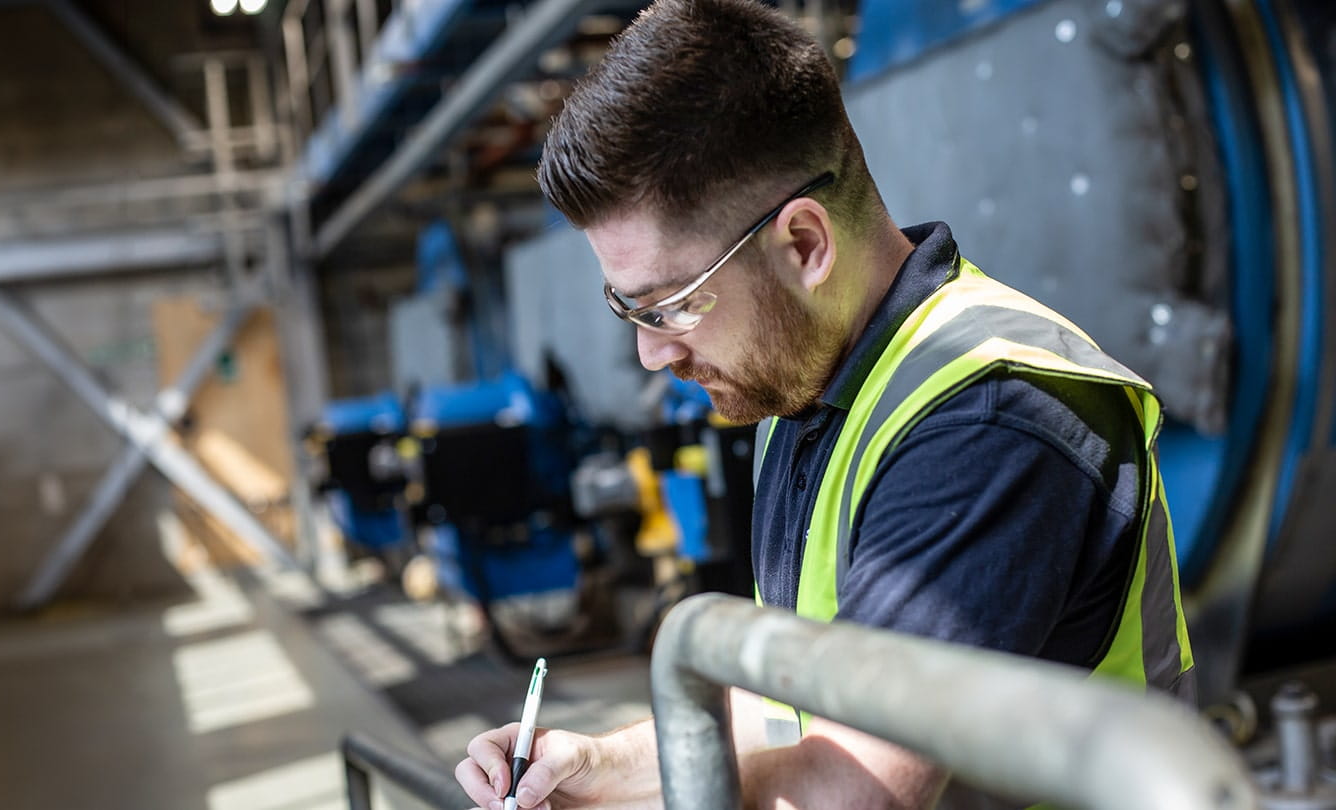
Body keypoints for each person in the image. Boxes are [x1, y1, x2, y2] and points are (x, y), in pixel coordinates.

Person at [456, 0, 1194, 807]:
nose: (652, 352)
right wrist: (597, 767)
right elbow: (798, 705)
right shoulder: (809, 390)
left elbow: (852, 787)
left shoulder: (992, 421)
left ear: (804, 244)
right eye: (627, 308)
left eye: (670, 303)